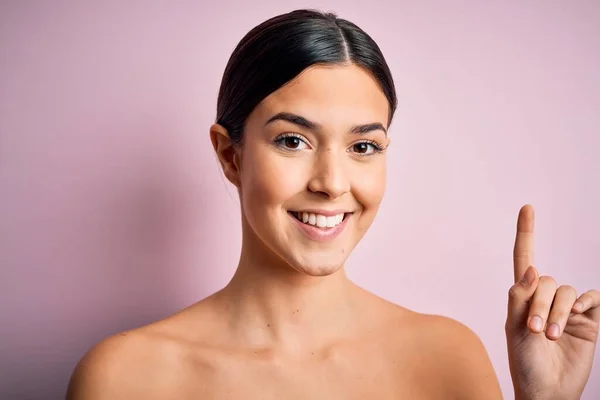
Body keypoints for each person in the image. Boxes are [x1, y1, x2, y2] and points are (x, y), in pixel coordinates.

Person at [66, 9, 599, 399]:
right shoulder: (123, 377)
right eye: (292, 140)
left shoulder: (449, 359)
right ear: (231, 156)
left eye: (363, 146)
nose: (331, 182)